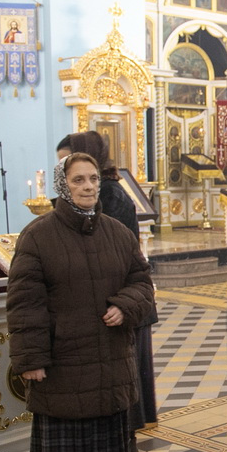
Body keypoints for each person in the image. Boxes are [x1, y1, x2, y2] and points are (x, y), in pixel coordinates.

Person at [7, 153, 155, 452]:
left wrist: (125, 306)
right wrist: (31, 359)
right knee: (62, 442)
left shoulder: (117, 233)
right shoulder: (38, 236)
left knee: (101, 437)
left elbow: (142, 282)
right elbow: (25, 305)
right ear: (63, 186)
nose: (88, 186)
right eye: (78, 180)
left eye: (92, 179)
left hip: (108, 355)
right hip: (63, 359)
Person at [56, 132, 156, 431]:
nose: (62, 166)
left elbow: (118, 259)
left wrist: (123, 303)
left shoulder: (110, 195)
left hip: (121, 300)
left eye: (66, 159)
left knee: (126, 372)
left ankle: (128, 427)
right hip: (116, 301)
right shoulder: (107, 189)